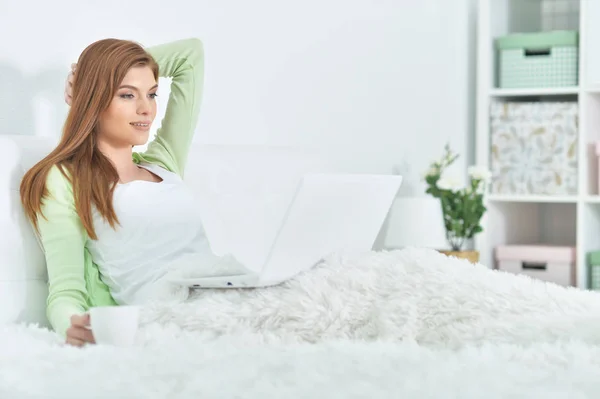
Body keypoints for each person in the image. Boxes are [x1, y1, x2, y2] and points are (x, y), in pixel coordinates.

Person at [19, 37, 222, 347]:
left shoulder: (163, 162)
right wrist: (70, 324)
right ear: (93, 98)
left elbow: (190, 55)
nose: (146, 110)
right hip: (172, 319)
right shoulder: (64, 181)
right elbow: (65, 291)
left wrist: (97, 73)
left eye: (152, 94)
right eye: (127, 95)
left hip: (223, 296)